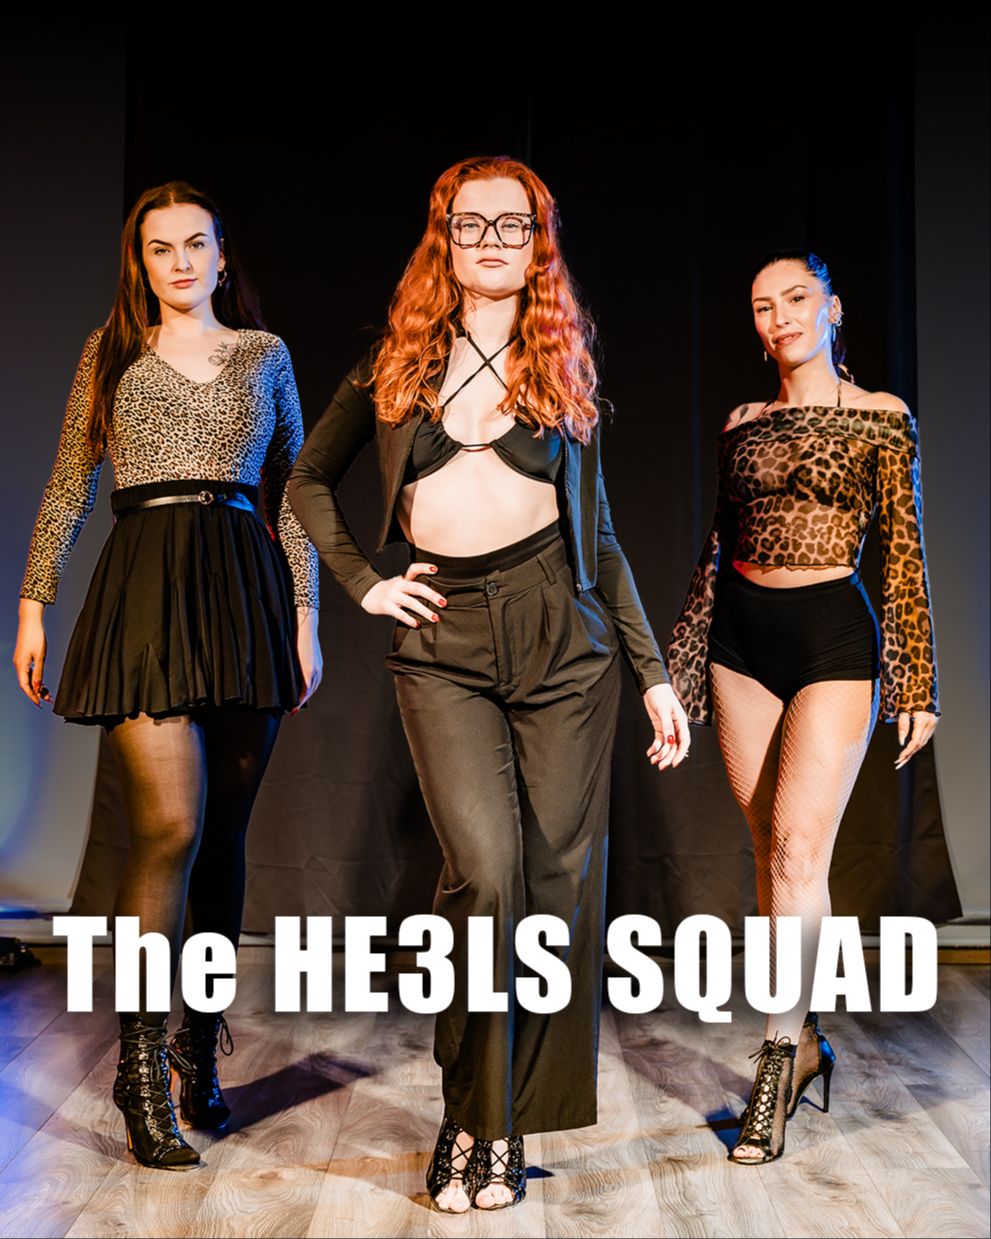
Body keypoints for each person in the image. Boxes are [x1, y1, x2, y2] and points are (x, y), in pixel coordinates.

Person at [288, 155, 689, 1211]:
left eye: (514, 225)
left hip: (564, 637)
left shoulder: (560, 366)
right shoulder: (397, 363)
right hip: (444, 637)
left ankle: (502, 1125)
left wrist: (652, 674)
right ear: (445, 236)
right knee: (483, 874)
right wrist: (365, 584)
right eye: (473, 224)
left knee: (554, 888)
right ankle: (469, 1108)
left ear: (537, 241)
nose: (493, 241)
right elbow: (307, 477)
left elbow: (601, 539)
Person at [13, 181, 321, 1170]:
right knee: (169, 828)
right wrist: (33, 603)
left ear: (222, 256)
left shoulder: (264, 355)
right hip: (146, 584)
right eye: (160, 247)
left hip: (242, 590)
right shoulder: (109, 353)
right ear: (138, 262)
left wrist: (306, 617)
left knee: (224, 838)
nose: (180, 261)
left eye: (196, 243)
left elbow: (294, 492)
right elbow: (71, 480)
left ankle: (198, 1043)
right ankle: (140, 1069)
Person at [667, 250, 939, 1164]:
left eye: (794, 298)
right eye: (761, 306)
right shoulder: (741, 422)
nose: (778, 316)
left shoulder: (880, 416)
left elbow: (901, 549)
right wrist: (681, 664)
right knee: (768, 848)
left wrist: (916, 681)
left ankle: (777, 1058)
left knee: (796, 847)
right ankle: (810, 1034)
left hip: (831, 636)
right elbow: (717, 547)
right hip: (741, 638)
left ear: (831, 307)